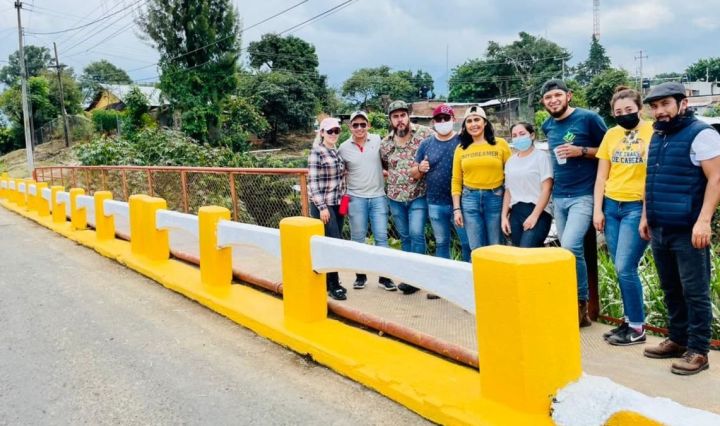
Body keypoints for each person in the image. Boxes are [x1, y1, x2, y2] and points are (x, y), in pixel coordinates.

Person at [639, 82, 720, 375]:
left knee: (695, 291)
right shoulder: (658, 135)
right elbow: (651, 178)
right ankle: (677, 339)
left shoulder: (702, 134)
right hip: (660, 226)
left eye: (665, 104)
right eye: (655, 106)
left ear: (682, 104)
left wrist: (704, 220)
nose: (659, 111)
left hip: (689, 228)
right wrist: (645, 216)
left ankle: (698, 351)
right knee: (671, 287)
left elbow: (716, 179)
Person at [541, 79, 608, 327]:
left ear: (568, 96)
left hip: (584, 194)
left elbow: (609, 150)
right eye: (548, 98)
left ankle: (581, 304)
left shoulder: (589, 118)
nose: (553, 100)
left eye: (557, 95)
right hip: (560, 196)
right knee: (567, 251)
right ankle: (572, 301)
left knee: (570, 246)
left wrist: (581, 151)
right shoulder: (547, 125)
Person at [592, 86, 653, 345]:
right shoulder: (611, 134)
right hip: (611, 205)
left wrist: (646, 215)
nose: (623, 114)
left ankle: (638, 328)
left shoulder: (653, 131)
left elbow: (653, 176)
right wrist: (597, 209)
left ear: (639, 108)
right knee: (620, 268)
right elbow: (601, 176)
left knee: (625, 266)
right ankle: (628, 321)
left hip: (636, 207)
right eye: (618, 112)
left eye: (628, 109)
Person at [337, 111, 397, 291]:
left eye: (363, 124)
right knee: (357, 239)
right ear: (350, 127)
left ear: (368, 125)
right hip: (355, 198)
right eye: (355, 125)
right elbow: (339, 174)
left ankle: (384, 277)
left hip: (378, 197)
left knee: (381, 238)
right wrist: (343, 205)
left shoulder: (378, 140)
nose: (359, 128)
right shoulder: (343, 148)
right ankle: (360, 276)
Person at [381, 100, 433, 295]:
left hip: (418, 195)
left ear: (408, 116)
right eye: (395, 116)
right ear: (391, 120)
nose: (400, 120)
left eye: (403, 115)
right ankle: (410, 276)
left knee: (416, 233)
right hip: (395, 197)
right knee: (405, 237)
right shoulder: (385, 143)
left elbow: (439, 145)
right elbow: (385, 165)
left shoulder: (424, 134)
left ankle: (419, 277)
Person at [412, 104, 471, 263]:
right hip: (435, 203)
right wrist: (420, 168)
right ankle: (444, 276)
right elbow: (414, 174)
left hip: (461, 203)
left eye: (446, 118)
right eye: (439, 119)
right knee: (442, 242)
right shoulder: (426, 144)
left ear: (454, 119)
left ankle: (468, 274)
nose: (443, 121)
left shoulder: (463, 141)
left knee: (467, 243)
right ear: (433, 122)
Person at [451, 106, 511, 250]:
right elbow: (456, 180)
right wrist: (457, 209)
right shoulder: (461, 149)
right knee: (476, 247)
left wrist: (509, 207)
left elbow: (511, 175)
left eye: (477, 120)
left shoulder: (500, 144)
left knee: (496, 245)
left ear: (485, 123)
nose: (473, 124)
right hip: (469, 199)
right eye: (469, 121)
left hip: (495, 198)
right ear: (465, 126)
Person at [307, 117, 347, 300]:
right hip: (324, 205)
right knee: (333, 243)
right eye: (329, 131)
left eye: (336, 131)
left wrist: (345, 205)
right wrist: (322, 207)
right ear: (322, 133)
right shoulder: (317, 152)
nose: (333, 134)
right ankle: (334, 284)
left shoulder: (336, 152)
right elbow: (313, 183)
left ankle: (328, 281)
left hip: (339, 203)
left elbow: (342, 182)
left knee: (335, 241)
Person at [501, 122, 553, 248]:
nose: (518, 138)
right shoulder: (510, 162)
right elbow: (508, 191)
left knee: (527, 249)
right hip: (516, 212)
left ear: (532, 135)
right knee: (519, 252)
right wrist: (504, 217)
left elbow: (547, 189)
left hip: (538, 211)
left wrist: (534, 216)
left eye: (522, 134)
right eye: (514, 135)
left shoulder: (541, 157)